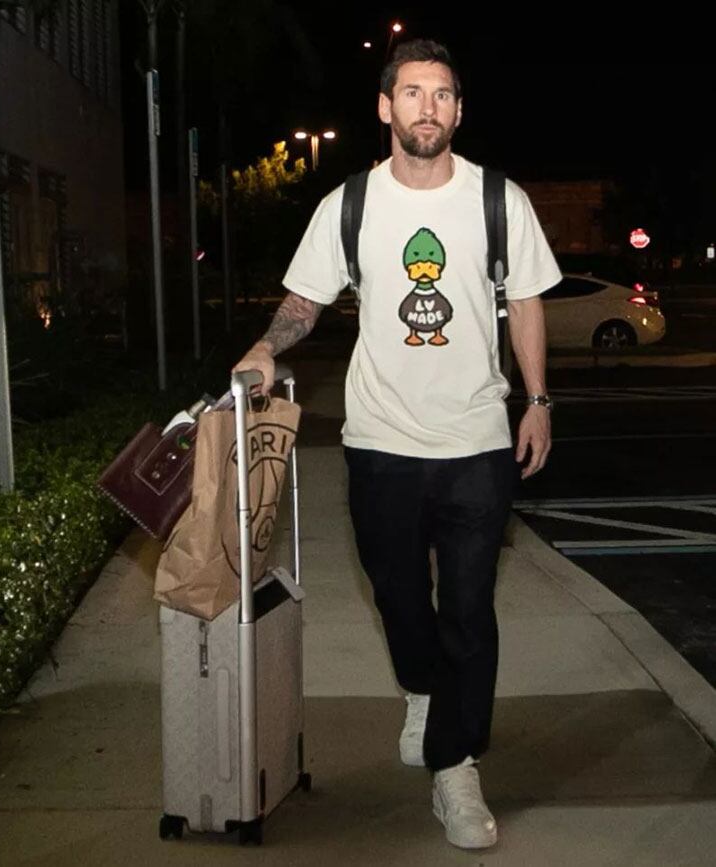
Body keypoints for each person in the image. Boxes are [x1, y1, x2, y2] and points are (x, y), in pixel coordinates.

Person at [232, 38, 560, 850]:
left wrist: (539, 399)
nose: (427, 107)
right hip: (379, 441)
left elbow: (524, 304)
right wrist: (269, 346)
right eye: (412, 93)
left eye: (442, 94)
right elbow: (303, 301)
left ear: (457, 110)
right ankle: (424, 689)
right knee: (401, 600)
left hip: (479, 438)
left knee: (471, 609)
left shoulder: (497, 199)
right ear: (385, 108)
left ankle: (454, 762)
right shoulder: (350, 204)